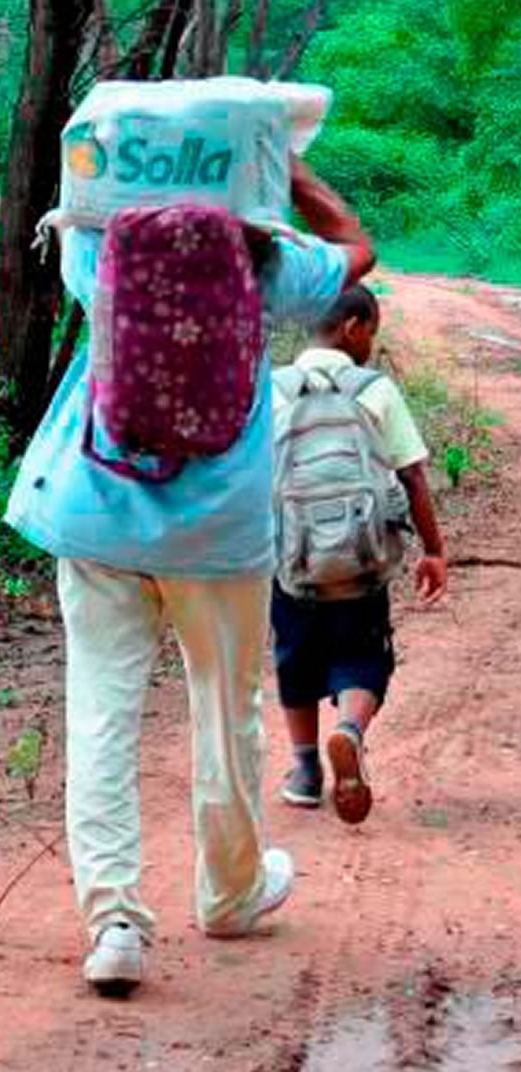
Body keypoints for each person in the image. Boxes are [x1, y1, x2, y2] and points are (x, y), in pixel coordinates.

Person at [2, 156, 375, 997]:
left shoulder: (106, 254)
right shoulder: (268, 267)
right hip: (218, 528)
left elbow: (77, 192)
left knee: (101, 712)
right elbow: (357, 246)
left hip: (97, 512)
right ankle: (231, 895)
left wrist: (123, 166)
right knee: (225, 707)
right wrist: (291, 167)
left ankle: (116, 925)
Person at [270, 285, 447, 823]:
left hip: (293, 560)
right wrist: (434, 551)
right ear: (351, 325)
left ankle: (304, 769)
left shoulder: (272, 390)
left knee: (294, 658)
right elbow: (412, 474)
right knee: (364, 654)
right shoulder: (376, 390)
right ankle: (349, 730)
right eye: (372, 328)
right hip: (363, 559)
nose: (372, 340)